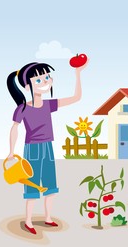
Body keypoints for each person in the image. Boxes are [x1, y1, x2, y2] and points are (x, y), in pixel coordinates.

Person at [6, 60, 88, 234]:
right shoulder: (22, 109)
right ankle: (28, 221)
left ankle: (48, 217)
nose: (45, 82)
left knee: (50, 184)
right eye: (39, 80)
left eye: (47, 78)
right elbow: (14, 129)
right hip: (32, 149)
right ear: (27, 87)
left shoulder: (49, 105)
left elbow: (76, 98)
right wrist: (11, 152)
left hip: (48, 147)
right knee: (32, 185)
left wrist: (78, 74)